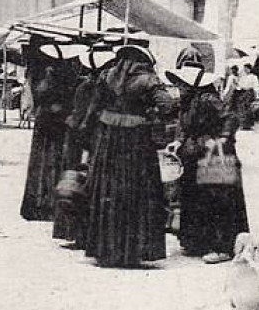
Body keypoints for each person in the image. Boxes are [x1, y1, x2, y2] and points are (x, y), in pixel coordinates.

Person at [83, 41, 177, 268]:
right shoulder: (148, 78)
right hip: (136, 143)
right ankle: (134, 251)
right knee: (137, 191)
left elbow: (93, 108)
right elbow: (168, 106)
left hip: (108, 140)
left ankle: (104, 249)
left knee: (108, 191)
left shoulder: (106, 75)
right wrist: (150, 112)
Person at [169, 60, 249, 262]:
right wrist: (179, 141)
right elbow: (185, 126)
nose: (179, 88)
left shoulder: (208, 99)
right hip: (195, 151)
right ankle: (197, 241)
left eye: (182, 84)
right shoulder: (188, 101)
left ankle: (222, 247)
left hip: (214, 153)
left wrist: (222, 138)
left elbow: (230, 118)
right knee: (195, 196)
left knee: (217, 198)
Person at [53, 45, 113, 248]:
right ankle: (88, 236)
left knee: (77, 188)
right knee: (92, 189)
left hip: (80, 140)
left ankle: (78, 235)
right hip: (96, 140)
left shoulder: (85, 87)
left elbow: (79, 117)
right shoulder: (104, 87)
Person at [20, 41, 78, 221]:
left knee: (45, 161)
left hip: (47, 121)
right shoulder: (54, 73)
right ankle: (48, 202)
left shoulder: (40, 72)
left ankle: (43, 201)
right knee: (54, 160)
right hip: (54, 121)